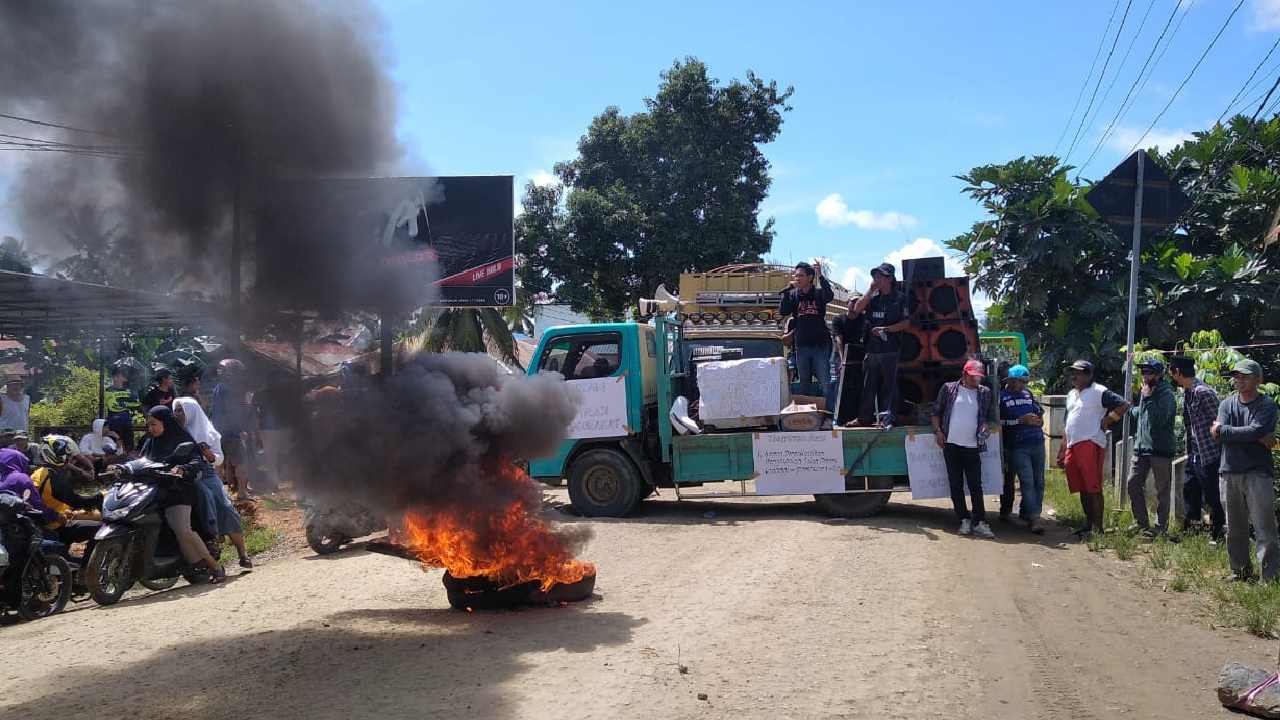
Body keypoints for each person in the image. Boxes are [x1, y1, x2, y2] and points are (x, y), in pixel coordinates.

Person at [128, 405, 224, 582]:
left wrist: (182, 468)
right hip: (151, 491)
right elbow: (139, 461)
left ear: (165, 423)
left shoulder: (182, 440)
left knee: (182, 529)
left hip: (177, 491)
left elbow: (196, 460)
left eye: (154, 424)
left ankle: (215, 567)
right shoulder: (149, 442)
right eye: (149, 425)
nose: (151, 429)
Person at [1211, 358, 1278, 582]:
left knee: (1264, 528)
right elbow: (1221, 435)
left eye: (1245, 375)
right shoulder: (1226, 404)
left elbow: (1254, 430)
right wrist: (1255, 435)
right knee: (1234, 527)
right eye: (1236, 375)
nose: (1238, 379)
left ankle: (1269, 577)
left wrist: (1227, 431)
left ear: (1258, 379)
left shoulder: (1267, 405)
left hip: (1257, 473)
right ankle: (1239, 571)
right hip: (1229, 471)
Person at [174, 397, 253, 569]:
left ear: (191, 412)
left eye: (181, 410)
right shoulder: (173, 432)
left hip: (206, 474)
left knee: (224, 507)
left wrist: (209, 455)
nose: (177, 414)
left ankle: (242, 553)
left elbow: (218, 459)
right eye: (176, 410)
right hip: (182, 476)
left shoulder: (208, 433)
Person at [1057, 360, 1129, 540]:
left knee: (1093, 487)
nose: (1074, 376)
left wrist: (1108, 420)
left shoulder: (1099, 391)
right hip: (1073, 444)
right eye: (1072, 372)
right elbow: (1067, 423)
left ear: (1089, 374)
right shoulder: (1072, 394)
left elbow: (1123, 404)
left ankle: (1098, 528)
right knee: (1081, 487)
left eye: (1079, 373)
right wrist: (1062, 448)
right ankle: (1088, 524)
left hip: (1090, 442)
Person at [931, 359, 995, 538]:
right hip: (951, 444)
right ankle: (963, 519)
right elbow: (936, 412)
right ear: (965, 374)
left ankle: (980, 521)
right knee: (955, 484)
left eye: (979, 377)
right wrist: (938, 432)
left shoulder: (985, 393)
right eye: (974, 376)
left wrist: (985, 426)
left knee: (976, 485)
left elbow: (985, 416)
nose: (978, 380)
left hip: (972, 446)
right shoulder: (949, 389)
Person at [847, 263, 910, 426]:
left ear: (889, 278)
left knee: (890, 387)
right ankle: (864, 418)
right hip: (871, 349)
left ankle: (888, 418)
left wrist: (887, 329)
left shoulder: (900, 298)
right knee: (868, 385)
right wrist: (869, 290)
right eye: (875, 276)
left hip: (891, 350)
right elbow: (856, 310)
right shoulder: (872, 298)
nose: (876, 279)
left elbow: (907, 323)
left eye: (880, 276)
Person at [1169, 356, 1224, 540]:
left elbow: (1219, 420)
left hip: (1209, 453)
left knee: (1212, 496)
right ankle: (1191, 531)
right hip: (1194, 451)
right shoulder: (1188, 391)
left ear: (1177, 372)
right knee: (1190, 490)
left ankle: (1217, 535)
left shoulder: (1203, 392)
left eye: (1172, 371)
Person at [29, 435, 102, 562]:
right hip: (53, 526)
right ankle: (86, 568)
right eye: (64, 454)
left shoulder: (41, 472)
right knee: (100, 529)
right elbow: (74, 499)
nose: (67, 458)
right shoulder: (53, 477)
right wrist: (99, 498)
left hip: (46, 522)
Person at [1125, 359, 1177, 537]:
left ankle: (1160, 528)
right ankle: (1141, 522)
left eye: (1149, 373)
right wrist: (1132, 410)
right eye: (1144, 372)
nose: (1146, 376)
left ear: (1159, 374)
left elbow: (1159, 420)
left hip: (1160, 450)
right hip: (1141, 448)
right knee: (1132, 484)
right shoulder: (1145, 391)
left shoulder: (1166, 394)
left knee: (1162, 490)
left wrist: (1147, 398)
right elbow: (1143, 415)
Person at [779, 261, 835, 411]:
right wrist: (786, 293)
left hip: (820, 345)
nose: (797, 278)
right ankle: (806, 416)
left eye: (801, 275)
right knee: (804, 384)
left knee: (825, 382)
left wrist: (821, 276)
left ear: (810, 277)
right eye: (796, 275)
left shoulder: (817, 293)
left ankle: (829, 416)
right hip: (801, 346)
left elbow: (829, 296)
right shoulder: (793, 294)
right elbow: (783, 311)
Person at [1000, 364, 1047, 534]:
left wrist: (1039, 421)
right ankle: (1035, 518)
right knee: (1027, 482)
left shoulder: (1028, 394)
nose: (1023, 385)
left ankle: (1028, 513)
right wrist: (1020, 421)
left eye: (1025, 382)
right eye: (1020, 382)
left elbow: (1038, 413)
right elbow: (999, 424)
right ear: (1011, 380)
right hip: (1017, 446)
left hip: (1037, 441)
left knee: (1039, 481)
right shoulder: (1001, 398)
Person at [210, 359, 259, 500]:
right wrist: (239, 430)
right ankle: (242, 493)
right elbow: (232, 413)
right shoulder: (231, 390)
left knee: (220, 462)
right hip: (231, 433)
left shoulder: (218, 388)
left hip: (218, 431)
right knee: (241, 462)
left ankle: (220, 494)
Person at [104, 365, 140, 453]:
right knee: (115, 445)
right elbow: (113, 405)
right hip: (114, 421)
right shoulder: (108, 390)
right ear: (115, 377)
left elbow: (136, 403)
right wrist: (127, 404)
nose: (124, 377)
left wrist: (123, 403)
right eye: (121, 376)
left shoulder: (129, 390)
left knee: (129, 446)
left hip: (127, 421)